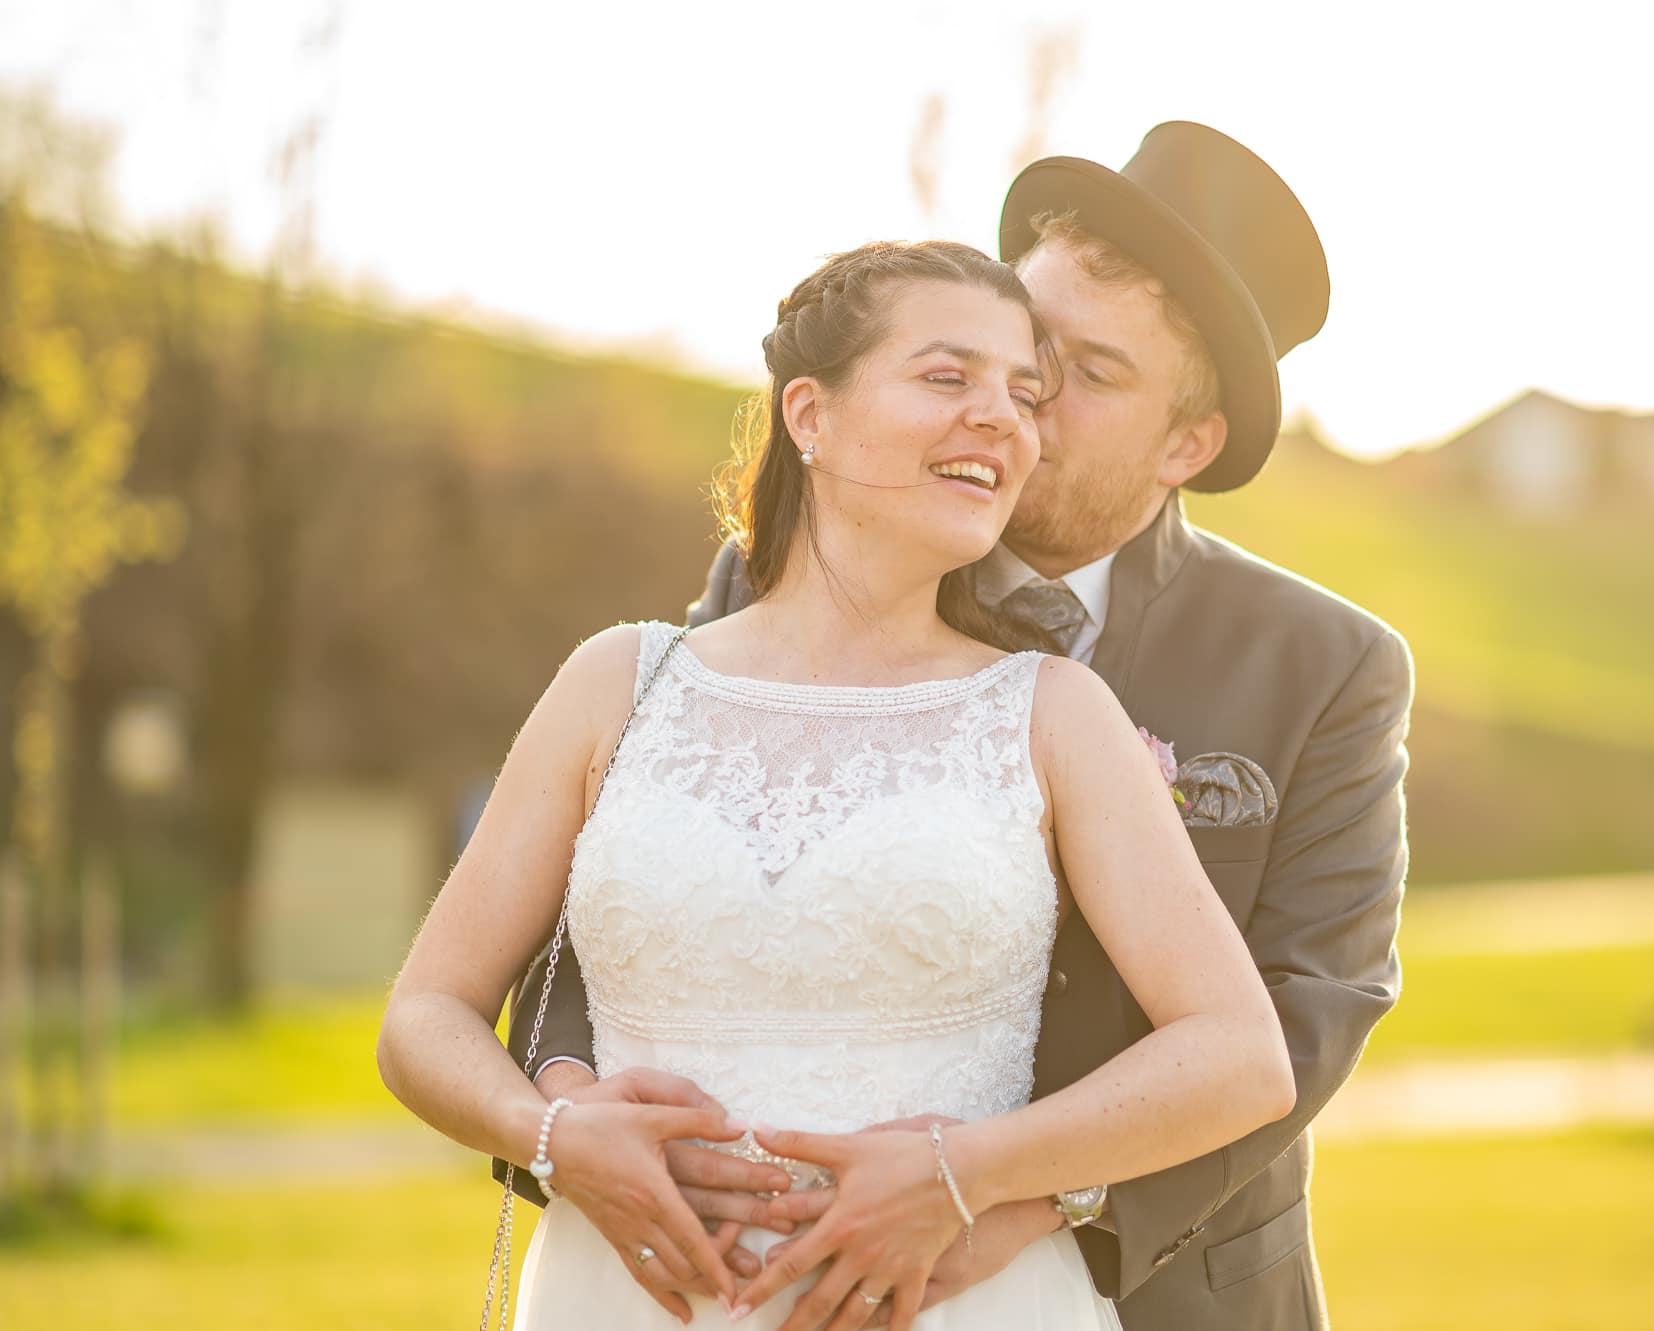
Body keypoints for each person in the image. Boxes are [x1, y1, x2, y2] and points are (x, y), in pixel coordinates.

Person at [512, 123, 1415, 1331]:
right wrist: (570, 1107)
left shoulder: (1319, 664)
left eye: (1085, 376)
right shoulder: (789, 575)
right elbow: (628, 870)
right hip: (751, 1271)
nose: (1016, 398)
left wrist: (1018, 1200)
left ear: (1186, 444)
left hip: (1163, 1288)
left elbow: (1307, 1011)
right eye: (1012, 348)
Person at [377, 237, 1296, 1331]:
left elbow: (1240, 1056)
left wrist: (966, 1171)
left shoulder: (1052, 713)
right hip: (620, 1298)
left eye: (1025, 393)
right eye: (948, 377)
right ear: (808, 415)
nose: (1003, 418)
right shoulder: (615, 683)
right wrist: (551, 1134)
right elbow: (423, 1015)